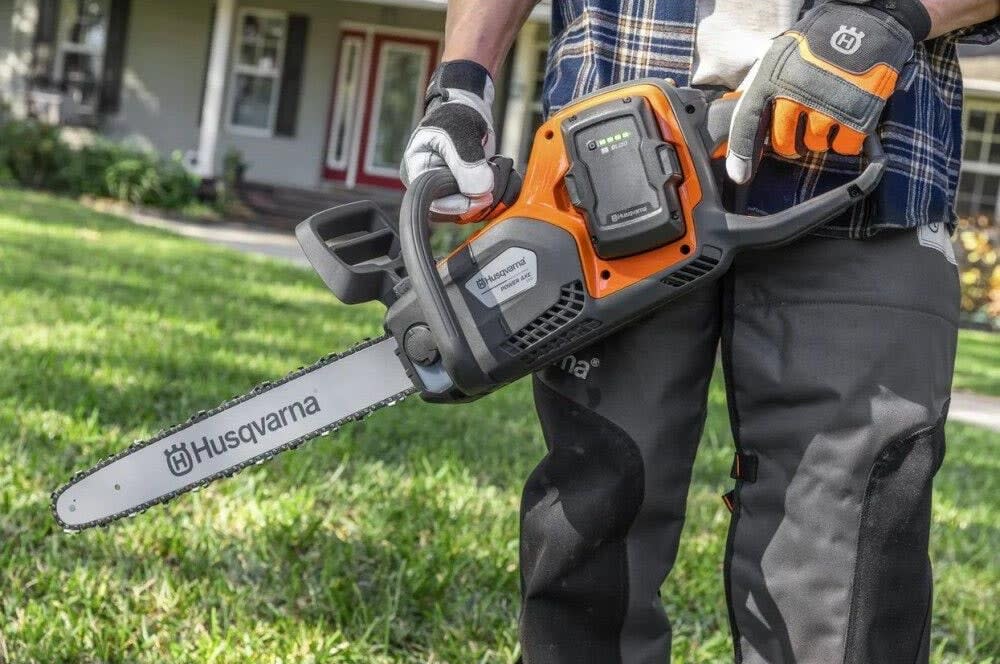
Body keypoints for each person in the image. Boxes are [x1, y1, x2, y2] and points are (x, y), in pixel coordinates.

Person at [400, 1, 1000, 662]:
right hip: (613, 165)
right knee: (593, 523)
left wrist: (886, 18)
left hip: (870, 157)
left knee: (849, 557)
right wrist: (462, 83)